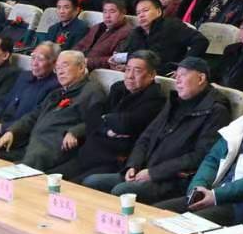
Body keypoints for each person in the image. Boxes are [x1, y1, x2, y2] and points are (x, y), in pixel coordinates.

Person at [83, 57, 231, 203]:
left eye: (183, 75)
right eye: (176, 75)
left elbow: (200, 155)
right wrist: (133, 165)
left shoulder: (216, 111)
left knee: (122, 191)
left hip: (174, 179)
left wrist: (154, 173)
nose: (177, 80)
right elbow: (146, 137)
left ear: (201, 78)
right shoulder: (175, 102)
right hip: (145, 170)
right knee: (92, 182)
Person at [156, 78, 243, 224]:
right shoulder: (240, 125)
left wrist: (215, 195)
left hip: (238, 203)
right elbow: (212, 159)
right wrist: (198, 187)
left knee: (187, 223)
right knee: (158, 212)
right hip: (210, 193)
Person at [55, 50, 169, 181]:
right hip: (88, 153)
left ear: (151, 75)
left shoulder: (156, 100)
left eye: (137, 71)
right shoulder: (118, 88)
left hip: (113, 161)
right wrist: (107, 128)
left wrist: (104, 119)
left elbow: (125, 125)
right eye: (127, 70)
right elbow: (92, 115)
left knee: (72, 185)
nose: (130, 76)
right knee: (49, 177)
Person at [0, 49, 105, 170]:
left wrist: (75, 132)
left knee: (17, 171)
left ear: (81, 68)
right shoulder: (57, 93)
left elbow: (97, 121)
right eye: (57, 68)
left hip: (52, 148)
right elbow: (33, 115)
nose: (60, 72)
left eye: (65, 66)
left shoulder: (91, 91)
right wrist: (12, 131)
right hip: (32, 144)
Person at [116, 0, 209, 75]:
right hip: (142, 77)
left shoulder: (172, 26)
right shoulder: (136, 33)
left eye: (145, 10)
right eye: (138, 13)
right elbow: (132, 55)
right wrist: (126, 67)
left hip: (166, 75)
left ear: (159, 12)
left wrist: (184, 67)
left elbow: (201, 41)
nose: (141, 15)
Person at [72, 0, 133, 70]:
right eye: (105, 12)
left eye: (112, 12)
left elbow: (115, 59)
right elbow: (81, 45)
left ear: (123, 13)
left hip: (95, 70)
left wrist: (88, 62)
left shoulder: (127, 32)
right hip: (79, 64)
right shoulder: (97, 27)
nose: (107, 16)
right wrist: (71, 56)